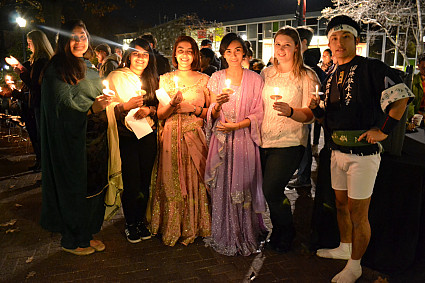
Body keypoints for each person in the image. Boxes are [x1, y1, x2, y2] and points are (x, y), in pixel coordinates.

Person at [310, 15, 412, 283]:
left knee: (359, 213)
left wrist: (384, 131)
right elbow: (330, 115)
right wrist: (316, 112)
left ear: (357, 40)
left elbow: (401, 97)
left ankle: (355, 265)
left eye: (345, 37)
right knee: (340, 205)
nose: (339, 42)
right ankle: (345, 247)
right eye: (334, 38)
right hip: (336, 151)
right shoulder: (330, 73)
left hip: (363, 155)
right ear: (328, 42)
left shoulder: (372, 68)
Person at [40, 19, 112, 255]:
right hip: (72, 142)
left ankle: (87, 233)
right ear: (62, 40)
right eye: (73, 36)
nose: (79, 41)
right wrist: (92, 109)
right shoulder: (56, 70)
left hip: (95, 139)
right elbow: (59, 110)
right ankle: (72, 239)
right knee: (75, 187)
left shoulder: (88, 66)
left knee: (94, 188)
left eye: (83, 36)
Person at [204, 33, 266, 256]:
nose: (233, 55)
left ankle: (245, 233)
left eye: (237, 50)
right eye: (228, 51)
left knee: (243, 187)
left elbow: (259, 113)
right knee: (223, 185)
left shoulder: (256, 79)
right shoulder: (216, 78)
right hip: (222, 140)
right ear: (222, 54)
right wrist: (217, 106)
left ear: (244, 52)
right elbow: (212, 112)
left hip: (244, 140)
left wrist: (238, 125)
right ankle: (225, 232)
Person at [260, 26, 318, 253]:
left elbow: (311, 114)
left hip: (290, 142)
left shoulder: (306, 76)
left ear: (297, 47)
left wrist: (291, 111)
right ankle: (279, 230)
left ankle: (286, 229)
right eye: (277, 44)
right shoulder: (266, 74)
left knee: (272, 189)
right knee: (270, 192)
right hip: (264, 141)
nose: (281, 49)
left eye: (287, 45)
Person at [150, 35, 211, 246]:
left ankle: (196, 225)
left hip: (194, 136)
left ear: (195, 55)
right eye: (180, 50)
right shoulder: (165, 79)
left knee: (195, 180)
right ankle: (173, 226)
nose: (184, 55)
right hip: (171, 136)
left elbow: (210, 113)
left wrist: (193, 109)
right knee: (172, 182)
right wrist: (172, 105)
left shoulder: (204, 80)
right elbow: (160, 114)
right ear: (175, 53)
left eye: (189, 51)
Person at [105, 38, 159, 243]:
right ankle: (130, 223)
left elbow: (158, 106)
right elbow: (108, 107)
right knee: (131, 180)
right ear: (128, 56)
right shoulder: (116, 76)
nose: (140, 58)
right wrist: (125, 106)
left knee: (145, 179)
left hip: (147, 134)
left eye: (145, 55)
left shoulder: (152, 78)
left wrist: (149, 109)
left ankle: (141, 221)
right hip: (127, 136)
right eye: (136, 54)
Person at [5, 30, 54, 171]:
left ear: (37, 43)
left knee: (41, 136)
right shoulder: (40, 61)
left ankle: (44, 167)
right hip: (36, 103)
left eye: (30, 43)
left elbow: (34, 84)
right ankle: (41, 163)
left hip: (39, 103)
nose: (28, 47)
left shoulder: (41, 61)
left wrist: (20, 73)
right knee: (38, 135)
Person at [288, 26, 326, 189]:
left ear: (303, 42)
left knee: (303, 142)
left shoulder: (308, 64)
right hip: (297, 109)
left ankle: (303, 177)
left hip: (306, 109)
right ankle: (302, 172)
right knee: (301, 142)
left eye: (295, 41)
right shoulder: (299, 60)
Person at [408, 53, 425, 123]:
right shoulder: (412, 81)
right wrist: (412, 115)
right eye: (423, 68)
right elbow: (408, 100)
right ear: (418, 66)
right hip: (417, 117)